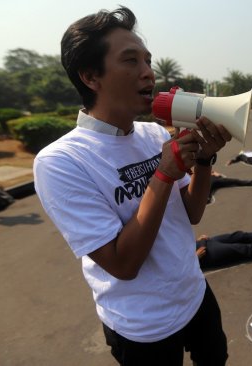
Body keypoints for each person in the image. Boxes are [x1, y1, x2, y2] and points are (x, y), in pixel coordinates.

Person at [33, 7, 230, 365]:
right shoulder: (60, 162)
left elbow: (193, 212)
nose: (148, 72)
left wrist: (203, 159)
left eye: (148, 60)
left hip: (195, 295)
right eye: (131, 60)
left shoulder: (153, 133)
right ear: (91, 77)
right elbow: (123, 264)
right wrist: (163, 173)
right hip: (142, 327)